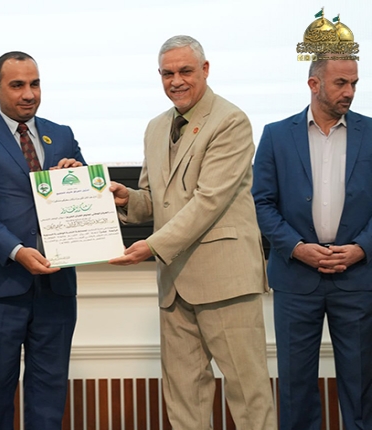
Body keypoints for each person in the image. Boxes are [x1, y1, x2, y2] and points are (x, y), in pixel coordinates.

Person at [109, 35, 276, 429]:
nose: (176, 81)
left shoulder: (231, 121)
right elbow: (157, 200)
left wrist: (152, 246)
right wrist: (127, 199)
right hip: (174, 283)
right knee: (184, 401)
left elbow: (208, 201)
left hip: (226, 281)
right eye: (167, 73)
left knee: (249, 397)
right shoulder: (155, 128)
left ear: (205, 69)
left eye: (185, 71)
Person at [0, 51, 85, 430]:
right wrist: (17, 251)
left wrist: (77, 175)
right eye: (17, 85)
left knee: (49, 399)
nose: (29, 94)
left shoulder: (62, 134)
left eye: (35, 84)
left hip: (57, 287)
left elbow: (86, 197)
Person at [252, 56, 372, 428]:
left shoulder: (371, 132)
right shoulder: (276, 135)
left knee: (361, 386)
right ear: (314, 84)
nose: (349, 92)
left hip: (357, 278)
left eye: (354, 83)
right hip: (295, 278)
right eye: (340, 83)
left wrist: (362, 248)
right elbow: (261, 202)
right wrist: (297, 247)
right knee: (295, 387)